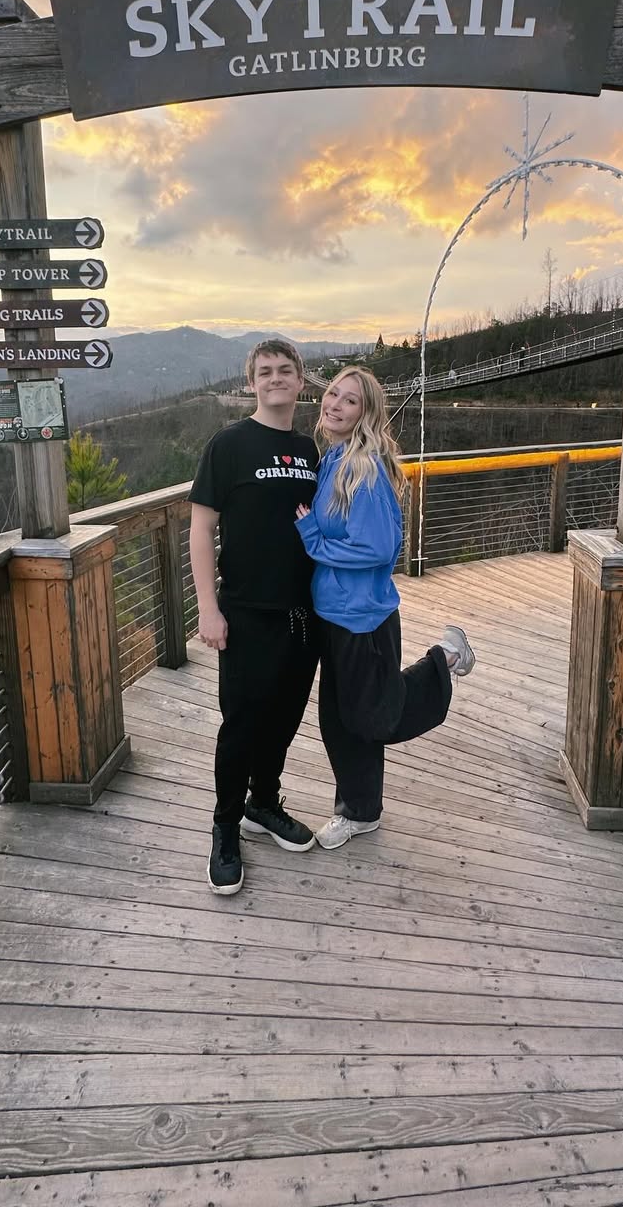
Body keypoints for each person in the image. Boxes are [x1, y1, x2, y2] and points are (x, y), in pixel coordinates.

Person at [294, 366, 475, 849]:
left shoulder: (365, 469)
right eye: (333, 393)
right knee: (340, 722)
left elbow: (377, 549)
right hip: (334, 612)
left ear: (366, 413)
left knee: (373, 716)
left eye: (350, 400)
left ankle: (445, 658)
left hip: (364, 617)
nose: (335, 404)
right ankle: (359, 812)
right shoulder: (333, 459)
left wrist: (313, 538)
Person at [189, 339, 320, 895]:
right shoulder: (229, 445)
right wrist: (208, 608)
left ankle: (262, 803)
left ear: (300, 381)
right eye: (264, 372)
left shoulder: (310, 450)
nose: (275, 378)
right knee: (241, 724)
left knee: (285, 718)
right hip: (245, 612)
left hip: (304, 612)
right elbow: (201, 529)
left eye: (285, 370)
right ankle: (224, 827)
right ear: (251, 383)